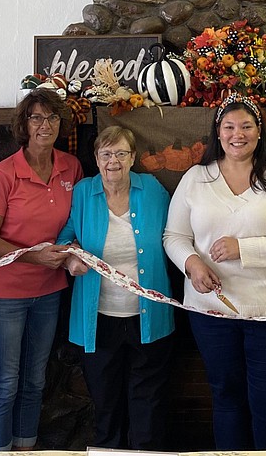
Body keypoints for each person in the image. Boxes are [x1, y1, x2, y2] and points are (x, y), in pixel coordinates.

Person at [163, 94, 266, 449]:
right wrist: (191, 263)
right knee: (226, 398)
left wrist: (243, 249)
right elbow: (174, 236)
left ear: (260, 132)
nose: (238, 134)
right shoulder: (196, 178)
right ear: (218, 132)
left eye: (246, 126)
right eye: (229, 126)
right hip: (212, 312)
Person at [0, 88, 81, 451]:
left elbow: (76, 225)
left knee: (36, 379)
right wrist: (34, 256)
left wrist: (73, 252)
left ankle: (26, 446)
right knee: (5, 381)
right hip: (5, 294)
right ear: (24, 124)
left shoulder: (71, 166)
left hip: (50, 291)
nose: (45, 125)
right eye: (37, 117)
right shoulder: (4, 173)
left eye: (52, 118)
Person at [58, 125, 174, 450]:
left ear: (133, 157)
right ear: (96, 158)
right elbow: (65, 238)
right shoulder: (82, 192)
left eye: (121, 153)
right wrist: (70, 261)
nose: (114, 161)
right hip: (99, 320)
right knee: (106, 409)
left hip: (149, 319)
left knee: (148, 410)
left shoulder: (152, 190)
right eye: (106, 154)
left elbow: (177, 234)